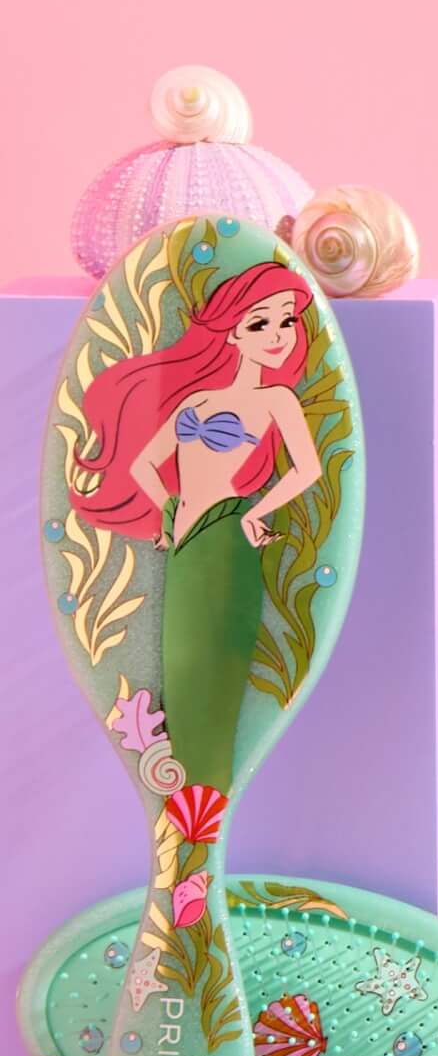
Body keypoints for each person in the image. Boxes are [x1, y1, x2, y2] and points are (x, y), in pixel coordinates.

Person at [69, 260, 325, 794]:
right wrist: (169, 514)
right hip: (185, 540)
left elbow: (309, 469)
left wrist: (253, 512)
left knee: (216, 662)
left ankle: (207, 791)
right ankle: (184, 789)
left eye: (286, 321)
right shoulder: (198, 401)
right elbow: (145, 463)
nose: (278, 334)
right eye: (260, 323)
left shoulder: (277, 399)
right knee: (179, 659)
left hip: (226, 536)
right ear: (232, 332)